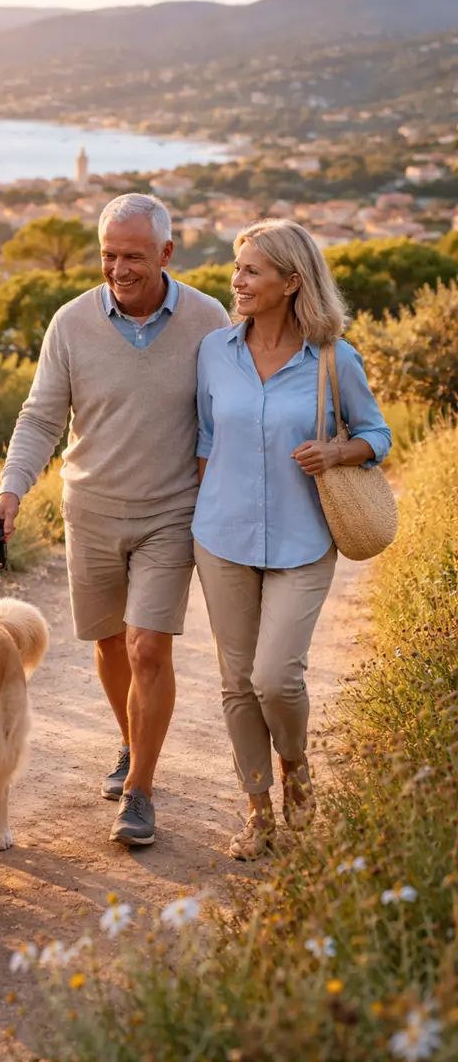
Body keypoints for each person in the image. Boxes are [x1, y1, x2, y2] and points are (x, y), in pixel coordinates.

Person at [0, 193, 230, 846]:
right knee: (110, 644)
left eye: (134, 257)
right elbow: (41, 417)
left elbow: (225, 415)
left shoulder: (208, 319)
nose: (119, 270)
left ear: (166, 253)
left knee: (148, 645)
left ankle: (140, 790)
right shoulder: (70, 323)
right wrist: (12, 492)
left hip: (170, 513)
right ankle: (130, 742)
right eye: (109, 255)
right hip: (90, 511)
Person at [193, 218, 391, 860]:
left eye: (252, 270)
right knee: (236, 682)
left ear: (292, 281)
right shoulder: (215, 351)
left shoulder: (334, 358)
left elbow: (378, 435)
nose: (237, 280)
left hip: (303, 540)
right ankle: (258, 812)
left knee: (275, 679)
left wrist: (336, 452)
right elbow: (206, 438)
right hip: (222, 537)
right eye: (238, 267)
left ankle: (296, 771)